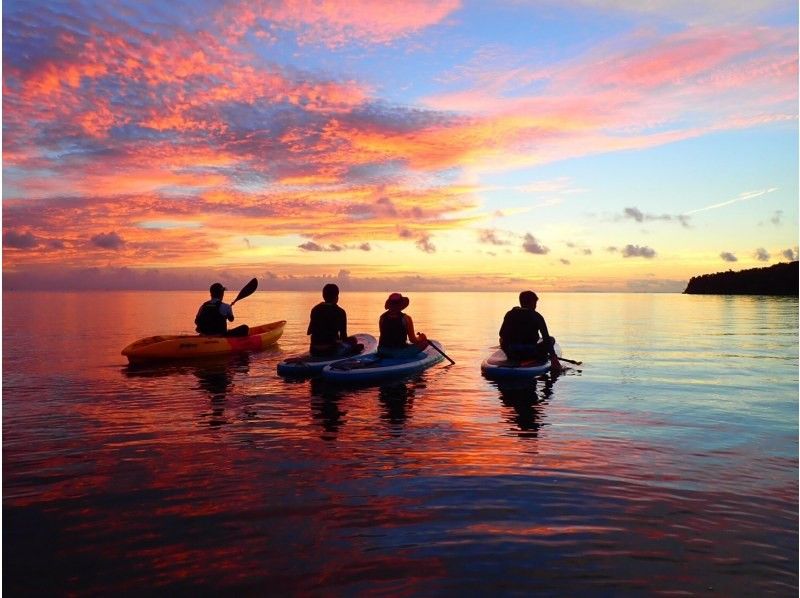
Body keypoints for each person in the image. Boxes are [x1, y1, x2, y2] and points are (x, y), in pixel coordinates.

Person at [499, 290, 562, 373]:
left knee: (501, 339)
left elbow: (501, 334)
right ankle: (539, 356)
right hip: (530, 353)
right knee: (551, 339)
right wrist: (554, 358)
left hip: (512, 353)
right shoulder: (537, 316)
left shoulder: (510, 314)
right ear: (532, 302)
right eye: (535, 303)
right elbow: (546, 339)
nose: (536, 306)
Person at [307, 283, 362, 357]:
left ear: (323, 296)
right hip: (331, 351)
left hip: (314, 350)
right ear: (337, 297)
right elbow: (343, 336)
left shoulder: (315, 309)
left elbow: (309, 331)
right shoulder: (340, 312)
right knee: (354, 340)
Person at [378, 293, 429, 357]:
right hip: (399, 352)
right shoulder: (406, 318)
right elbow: (413, 340)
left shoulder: (382, 317)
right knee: (424, 343)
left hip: (382, 351)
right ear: (401, 305)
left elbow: (384, 335)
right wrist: (421, 338)